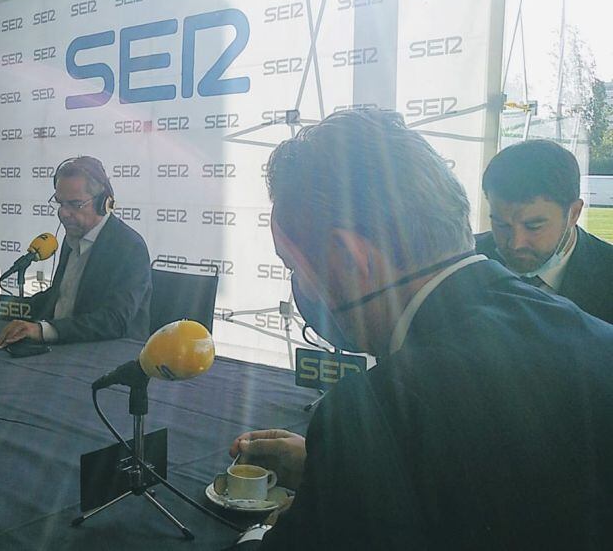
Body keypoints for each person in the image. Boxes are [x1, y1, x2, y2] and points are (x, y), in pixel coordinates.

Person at [228, 110, 613, 549]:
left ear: (351, 260)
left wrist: (262, 531)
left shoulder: (370, 414)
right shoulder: (596, 339)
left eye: (295, 266)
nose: (299, 286)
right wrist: (334, 468)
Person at [0, 156, 152, 346]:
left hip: (108, 354)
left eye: (75, 204)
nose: (63, 213)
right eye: (60, 203)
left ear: (104, 203)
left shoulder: (129, 247)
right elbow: (59, 297)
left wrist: (43, 330)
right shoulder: (72, 238)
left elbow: (114, 320)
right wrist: (9, 308)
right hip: (69, 345)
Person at [475, 139, 613, 323]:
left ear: (574, 213)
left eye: (534, 226)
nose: (516, 243)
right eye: (502, 225)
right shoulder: (464, 262)